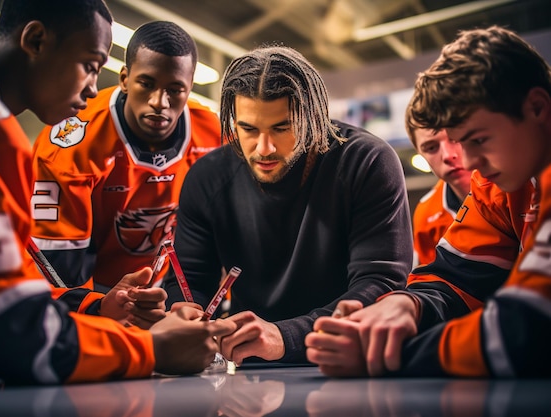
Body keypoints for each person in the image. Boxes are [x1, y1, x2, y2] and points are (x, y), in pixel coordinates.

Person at [0, 0, 234, 384]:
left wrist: (95, 307)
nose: (92, 89)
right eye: (90, 65)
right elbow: (9, 328)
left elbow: (12, 288)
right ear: (36, 40)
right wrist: (151, 350)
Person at [306, 25, 551, 377]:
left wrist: (393, 356)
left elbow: (530, 328)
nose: (466, 162)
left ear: (537, 107)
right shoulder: (496, 185)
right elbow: (456, 279)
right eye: (448, 143)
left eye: (478, 139)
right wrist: (405, 305)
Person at [164, 45, 413, 365]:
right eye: (248, 129)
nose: (264, 148)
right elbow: (191, 281)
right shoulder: (207, 178)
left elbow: (380, 285)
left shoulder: (365, 162)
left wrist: (288, 336)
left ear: (312, 117)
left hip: (344, 362)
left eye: (282, 128)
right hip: (249, 373)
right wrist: (186, 310)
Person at [31, 20, 221, 292]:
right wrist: (97, 310)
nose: (159, 102)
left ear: (190, 88)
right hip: (89, 288)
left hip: (164, 287)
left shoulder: (212, 133)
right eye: (146, 83)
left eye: (175, 90)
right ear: (124, 79)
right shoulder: (68, 147)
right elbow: (58, 271)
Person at [408, 124, 472, 266]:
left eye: (455, 139)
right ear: (420, 154)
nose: (448, 155)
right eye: (431, 147)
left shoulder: (514, 186)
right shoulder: (426, 214)